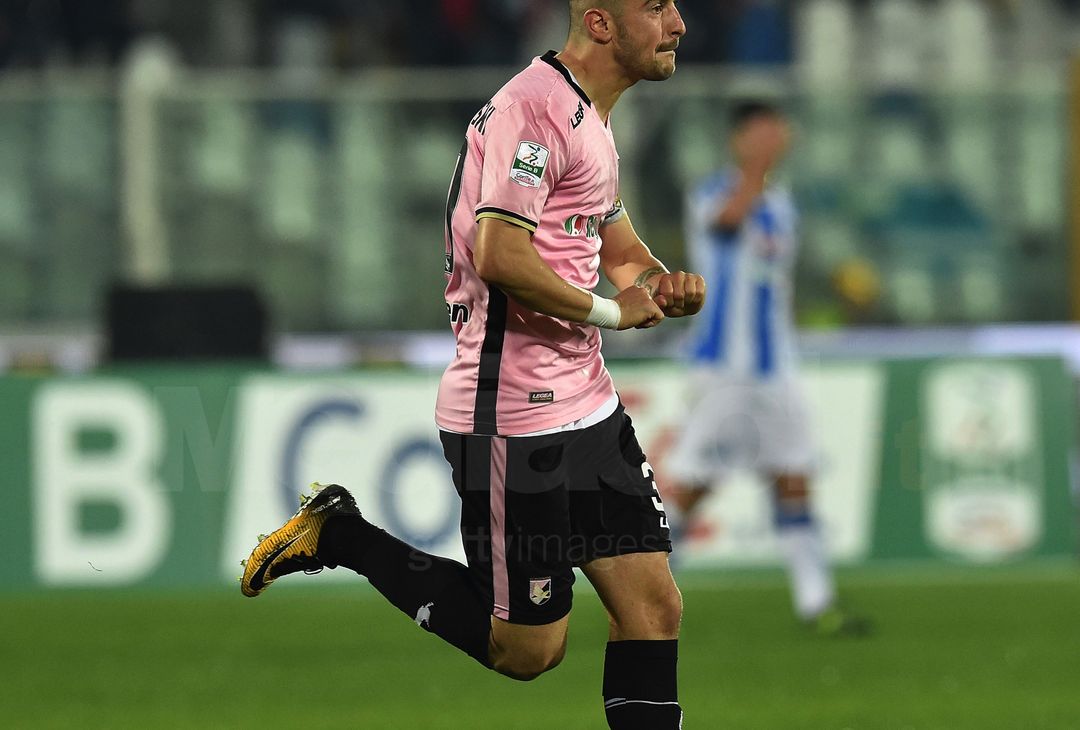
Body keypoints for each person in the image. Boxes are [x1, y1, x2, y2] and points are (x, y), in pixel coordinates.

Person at [241, 2, 704, 728]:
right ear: (600, 23)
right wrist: (616, 314)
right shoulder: (535, 112)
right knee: (529, 650)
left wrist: (656, 281)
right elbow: (501, 255)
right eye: (655, 7)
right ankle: (339, 535)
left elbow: (612, 240)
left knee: (652, 606)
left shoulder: (589, 114)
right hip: (515, 416)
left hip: (587, 402)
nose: (677, 23)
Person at [664, 100, 868, 637]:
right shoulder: (711, 193)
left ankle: (817, 603)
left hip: (777, 367)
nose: (772, 141)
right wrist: (756, 166)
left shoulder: (782, 202)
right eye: (759, 133)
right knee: (693, 484)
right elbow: (726, 225)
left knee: (794, 476)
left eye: (775, 131)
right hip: (722, 368)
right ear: (738, 140)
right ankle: (644, 592)